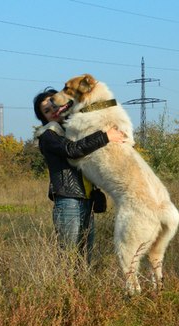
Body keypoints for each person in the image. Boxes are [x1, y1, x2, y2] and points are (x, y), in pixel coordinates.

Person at [33, 87, 125, 265]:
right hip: (68, 201)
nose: (53, 111)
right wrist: (105, 136)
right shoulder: (48, 135)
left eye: (53, 104)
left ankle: (81, 291)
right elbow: (72, 150)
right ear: (43, 118)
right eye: (46, 111)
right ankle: (65, 291)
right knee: (69, 255)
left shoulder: (73, 129)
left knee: (85, 256)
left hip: (87, 199)